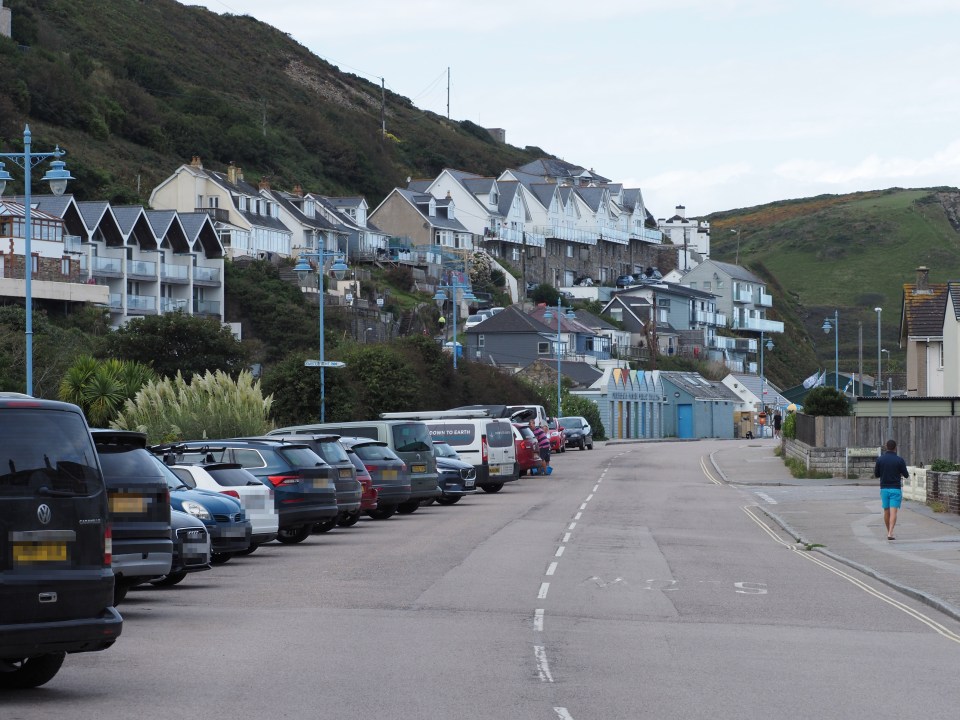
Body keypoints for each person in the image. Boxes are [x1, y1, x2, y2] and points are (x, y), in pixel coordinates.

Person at [874, 439, 909, 540]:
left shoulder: (880, 460)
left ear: (886, 446)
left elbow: (876, 474)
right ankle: (890, 532)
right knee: (893, 512)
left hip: (884, 488)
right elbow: (906, 475)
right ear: (895, 448)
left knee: (886, 511)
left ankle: (888, 531)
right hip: (895, 489)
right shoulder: (899, 460)